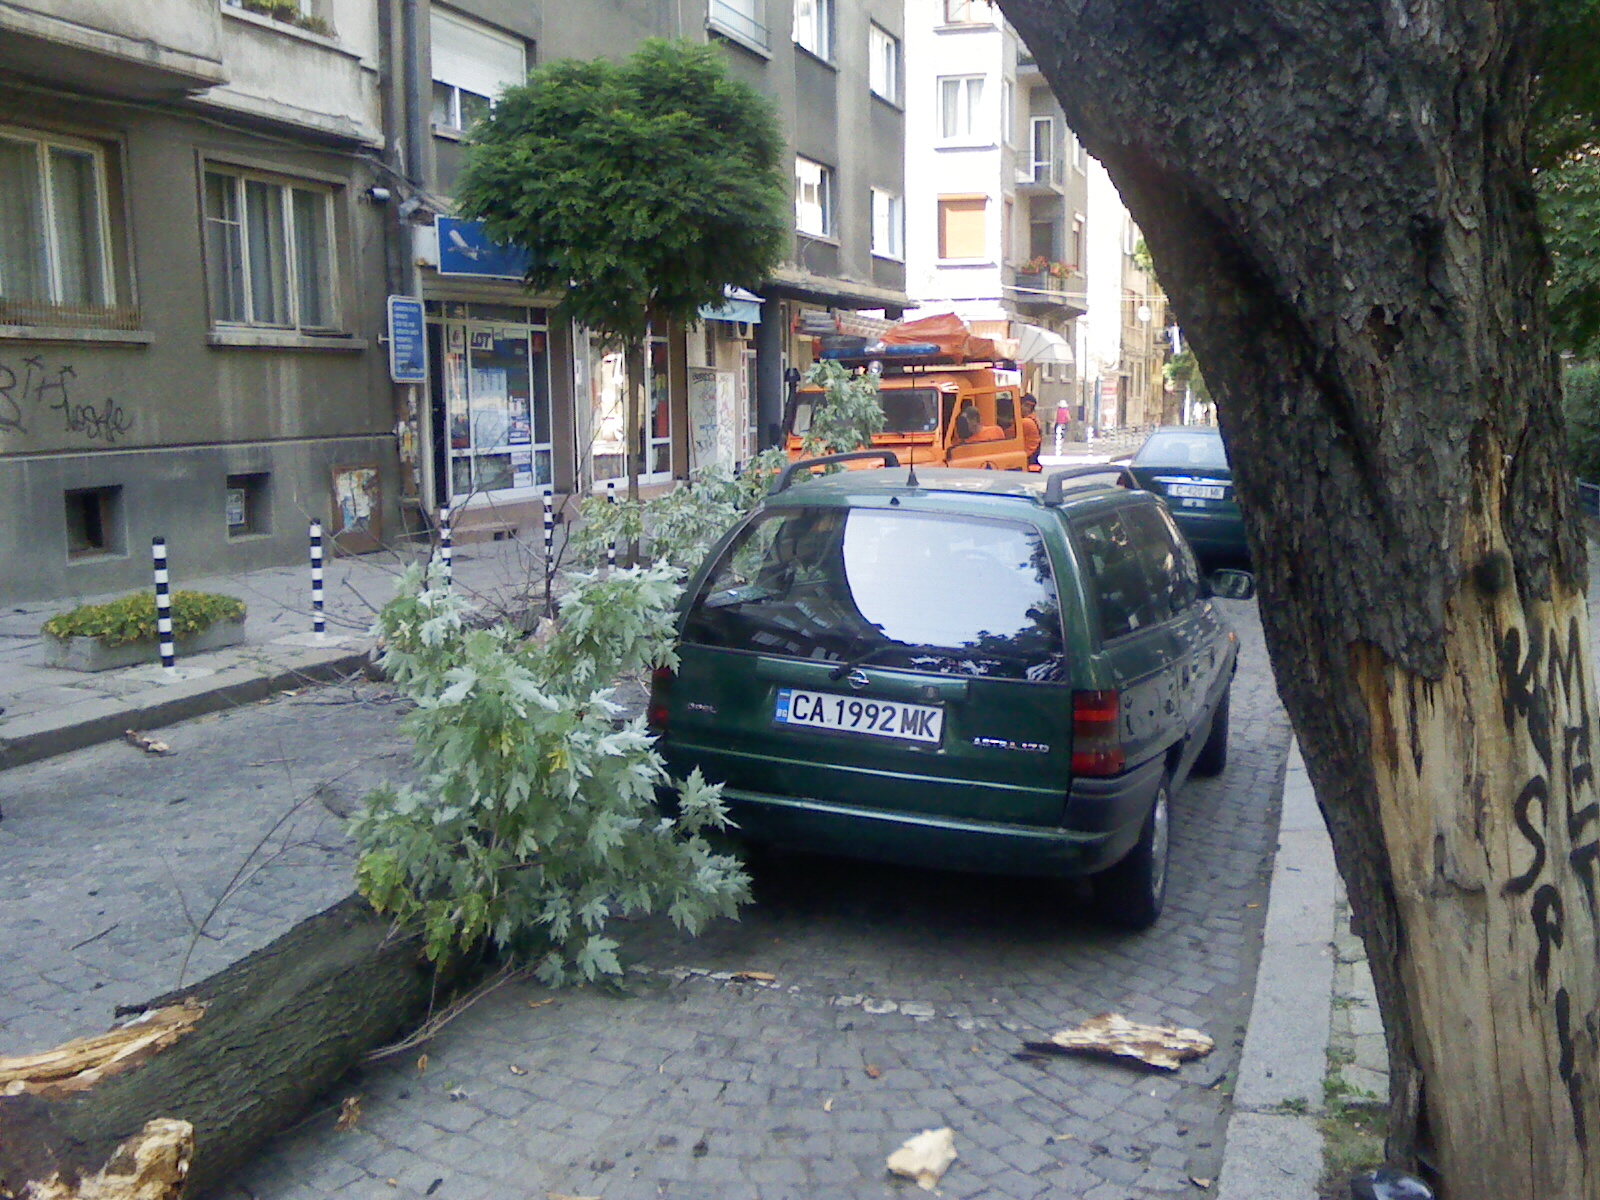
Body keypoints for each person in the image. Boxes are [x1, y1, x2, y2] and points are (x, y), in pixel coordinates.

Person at [1019, 394, 1043, 466]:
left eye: (1026, 406)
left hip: (1028, 457)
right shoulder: (1034, 418)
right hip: (1032, 456)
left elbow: (1008, 433)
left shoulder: (1026, 422)